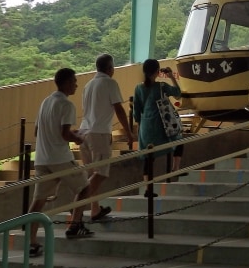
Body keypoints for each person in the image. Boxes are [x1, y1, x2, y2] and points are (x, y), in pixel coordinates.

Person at [28, 68, 94, 257]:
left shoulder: (45, 102)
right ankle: (75, 225)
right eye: (74, 81)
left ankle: (31, 241)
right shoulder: (66, 105)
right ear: (65, 83)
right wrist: (78, 138)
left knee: (38, 202)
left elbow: (37, 132)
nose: (76, 84)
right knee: (84, 188)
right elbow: (65, 134)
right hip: (61, 158)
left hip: (42, 158)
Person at [78, 53, 134, 221]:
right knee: (100, 173)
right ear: (110, 68)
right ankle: (77, 209)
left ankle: (95, 209)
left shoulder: (88, 85)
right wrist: (129, 132)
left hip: (84, 132)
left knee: (92, 175)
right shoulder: (110, 83)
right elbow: (119, 109)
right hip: (99, 133)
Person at [133, 59, 184, 191]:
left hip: (145, 128)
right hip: (162, 127)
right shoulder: (161, 86)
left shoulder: (138, 88)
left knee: (148, 157)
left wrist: (139, 128)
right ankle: (175, 168)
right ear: (157, 72)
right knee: (178, 139)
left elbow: (136, 112)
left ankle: (148, 189)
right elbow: (178, 93)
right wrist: (171, 76)